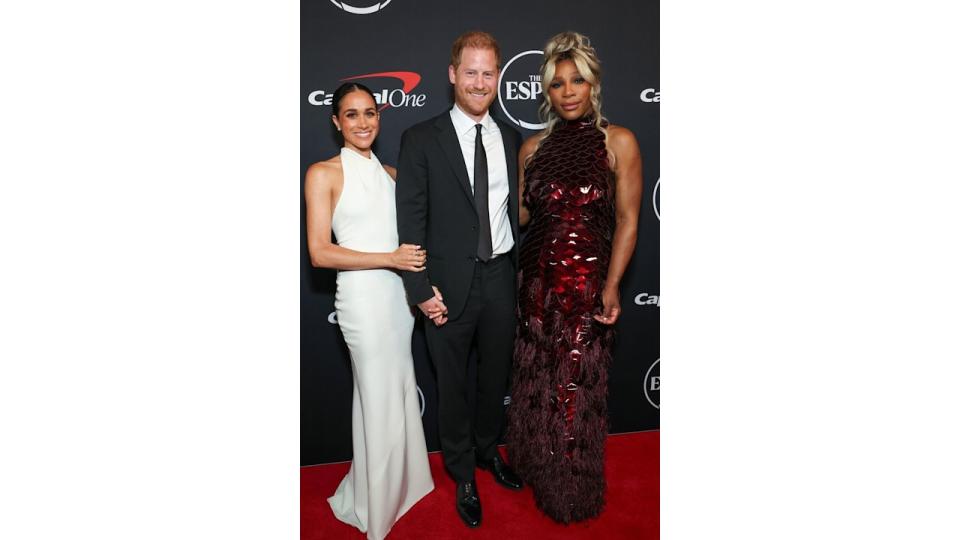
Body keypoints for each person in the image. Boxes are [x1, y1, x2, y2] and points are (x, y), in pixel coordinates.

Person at [505, 31, 643, 524]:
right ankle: (535, 467)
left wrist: (611, 286)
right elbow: (520, 218)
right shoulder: (531, 148)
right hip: (534, 284)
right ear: (547, 90)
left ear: (593, 84)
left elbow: (628, 219)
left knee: (575, 391)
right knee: (537, 384)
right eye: (558, 83)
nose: (568, 91)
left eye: (577, 80)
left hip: (586, 290)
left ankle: (570, 493)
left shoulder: (618, 141)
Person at [395, 30, 524, 529]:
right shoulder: (420, 139)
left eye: (488, 72)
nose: (479, 82)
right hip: (445, 287)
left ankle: (490, 451)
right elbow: (411, 221)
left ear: (498, 77)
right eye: (469, 71)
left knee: (495, 379)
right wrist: (420, 290)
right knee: (452, 386)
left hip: (500, 278)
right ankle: (462, 471)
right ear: (452, 75)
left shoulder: (509, 137)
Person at [304, 82, 434, 540]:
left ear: (380, 118)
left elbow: (416, 239)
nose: (363, 122)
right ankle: (374, 506)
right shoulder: (323, 173)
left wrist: (418, 277)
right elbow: (320, 252)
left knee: (397, 390)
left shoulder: (394, 174)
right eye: (352, 114)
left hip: (399, 302)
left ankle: (406, 483)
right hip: (362, 301)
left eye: (370, 113)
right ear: (336, 121)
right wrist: (389, 259)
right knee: (377, 398)